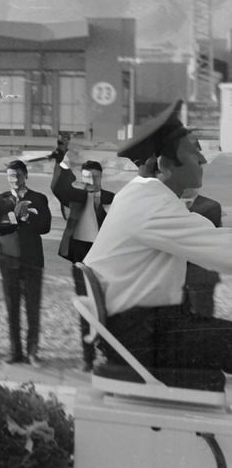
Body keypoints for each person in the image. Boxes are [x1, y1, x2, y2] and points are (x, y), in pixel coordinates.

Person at [84, 100, 232, 373]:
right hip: (146, 337)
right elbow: (223, 251)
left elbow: (205, 232)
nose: (202, 159)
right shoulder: (150, 204)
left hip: (146, 328)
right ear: (164, 165)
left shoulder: (142, 196)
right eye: (194, 151)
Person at [51, 143, 115, 371]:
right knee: (86, 307)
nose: (91, 181)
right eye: (87, 177)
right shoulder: (74, 197)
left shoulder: (111, 198)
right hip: (80, 257)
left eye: (95, 177)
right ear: (82, 178)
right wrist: (60, 161)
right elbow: (57, 187)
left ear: (101, 177)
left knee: (108, 308)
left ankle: (108, 355)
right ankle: (88, 358)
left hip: (103, 259)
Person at [0, 159, 52, 365]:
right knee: (11, 308)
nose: (14, 180)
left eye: (17, 176)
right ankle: (16, 352)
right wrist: (14, 218)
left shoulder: (39, 199)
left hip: (32, 260)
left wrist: (28, 218)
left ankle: (32, 353)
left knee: (33, 309)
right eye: (10, 176)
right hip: (8, 261)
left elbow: (46, 227)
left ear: (26, 176)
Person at [182, 190, 223, 318]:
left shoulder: (209, 207)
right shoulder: (211, 205)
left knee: (201, 314)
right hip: (197, 271)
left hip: (198, 271)